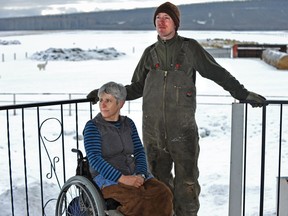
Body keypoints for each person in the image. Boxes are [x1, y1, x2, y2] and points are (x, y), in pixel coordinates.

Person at [87, 2, 266, 215]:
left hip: (183, 132)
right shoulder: (149, 54)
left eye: (166, 18)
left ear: (175, 23)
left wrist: (242, 93)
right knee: (158, 186)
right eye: (158, 18)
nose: (161, 22)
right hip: (153, 133)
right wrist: (104, 93)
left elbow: (217, 73)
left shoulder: (190, 49)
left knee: (187, 185)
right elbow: (136, 88)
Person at [83, 81, 173, 216]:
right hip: (107, 178)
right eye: (101, 100)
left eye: (108, 101)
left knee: (163, 193)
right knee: (139, 200)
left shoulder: (128, 124)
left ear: (120, 103)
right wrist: (123, 179)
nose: (102, 105)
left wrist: (141, 174)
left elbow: (139, 151)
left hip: (133, 172)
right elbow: (95, 159)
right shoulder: (93, 126)